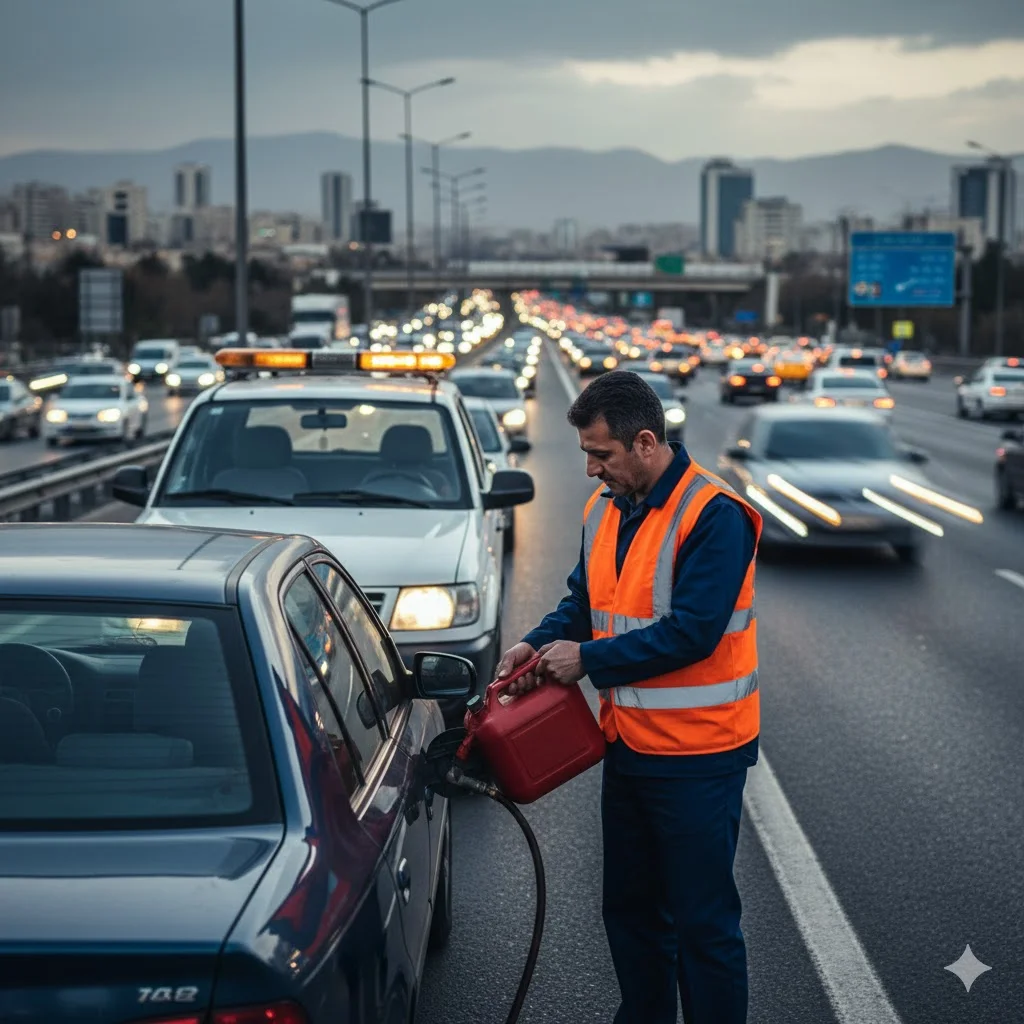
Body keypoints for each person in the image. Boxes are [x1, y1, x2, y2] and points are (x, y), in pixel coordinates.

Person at [496, 370, 763, 1024]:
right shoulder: (605, 511)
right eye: (587, 454)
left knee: (704, 927)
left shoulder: (713, 515)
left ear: (646, 442)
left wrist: (585, 660)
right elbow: (584, 606)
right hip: (630, 749)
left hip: (701, 758)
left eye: (601, 455)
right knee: (633, 916)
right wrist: (537, 643)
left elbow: (693, 633)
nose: (589, 469)